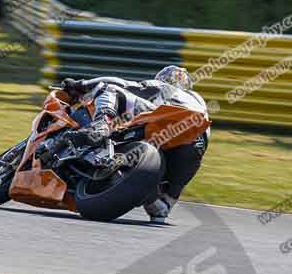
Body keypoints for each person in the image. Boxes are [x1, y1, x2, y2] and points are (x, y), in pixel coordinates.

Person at [60, 66, 210, 223]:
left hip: (168, 122)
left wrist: (81, 85)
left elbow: (121, 83)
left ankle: (101, 123)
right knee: (167, 198)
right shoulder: (198, 101)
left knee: (110, 88)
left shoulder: (164, 87)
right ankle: (160, 206)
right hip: (196, 142)